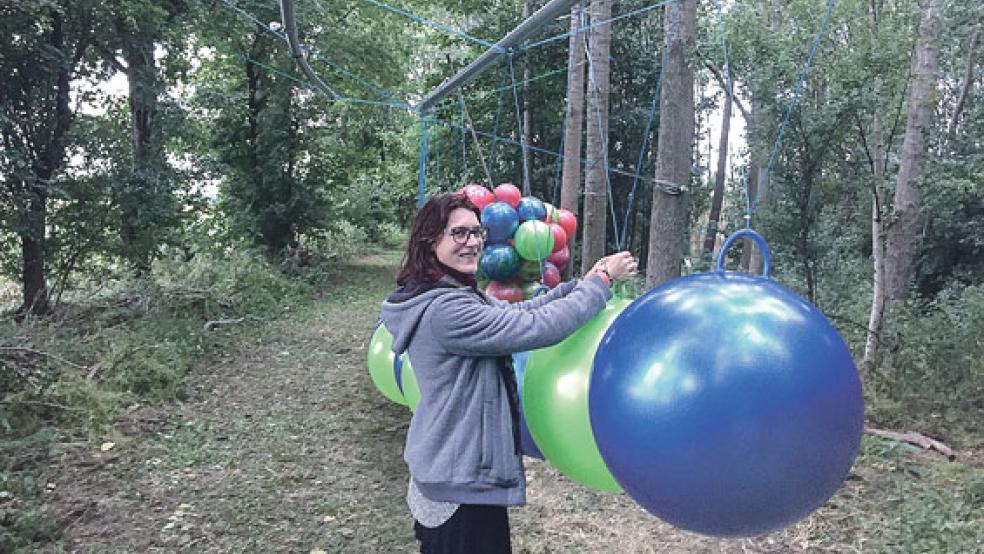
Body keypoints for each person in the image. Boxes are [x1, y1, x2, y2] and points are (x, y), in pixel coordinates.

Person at [379, 192, 637, 553]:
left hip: (459, 472)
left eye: (477, 232)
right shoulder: (446, 310)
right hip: (459, 488)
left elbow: (519, 313)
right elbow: (535, 327)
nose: (472, 243)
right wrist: (602, 283)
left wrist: (581, 284)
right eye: (459, 234)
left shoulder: (451, 293)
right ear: (430, 239)